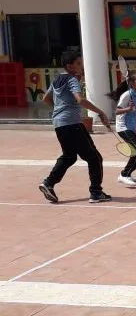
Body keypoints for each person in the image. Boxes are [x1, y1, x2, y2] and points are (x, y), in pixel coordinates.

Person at [39, 50, 112, 203]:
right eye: (78, 63)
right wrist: (100, 112)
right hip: (72, 124)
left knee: (69, 156)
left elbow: (45, 99)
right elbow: (80, 100)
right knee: (94, 158)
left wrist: (59, 110)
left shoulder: (57, 79)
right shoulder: (72, 79)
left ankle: (48, 183)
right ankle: (96, 192)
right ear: (69, 66)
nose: (81, 66)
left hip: (60, 124)